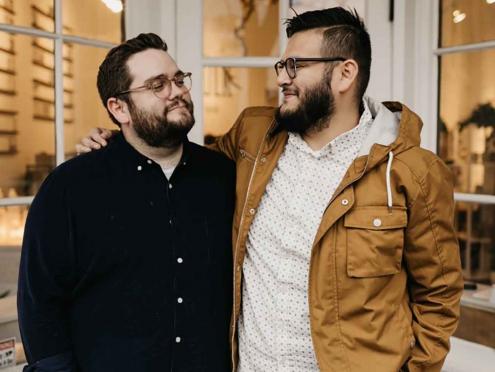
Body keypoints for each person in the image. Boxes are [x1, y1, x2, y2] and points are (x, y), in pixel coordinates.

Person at [78, 7, 463, 372]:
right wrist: (120, 138)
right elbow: (180, 162)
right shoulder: (254, 136)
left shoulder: (416, 173)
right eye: (283, 65)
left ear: (345, 74)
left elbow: (439, 295)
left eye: (295, 66)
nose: (281, 78)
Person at [18, 33, 235, 372]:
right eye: (157, 85)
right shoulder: (71, 187)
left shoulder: (223, 177)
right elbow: (40, 303)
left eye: (178, 79)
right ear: (118, 108)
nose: (177, 91)